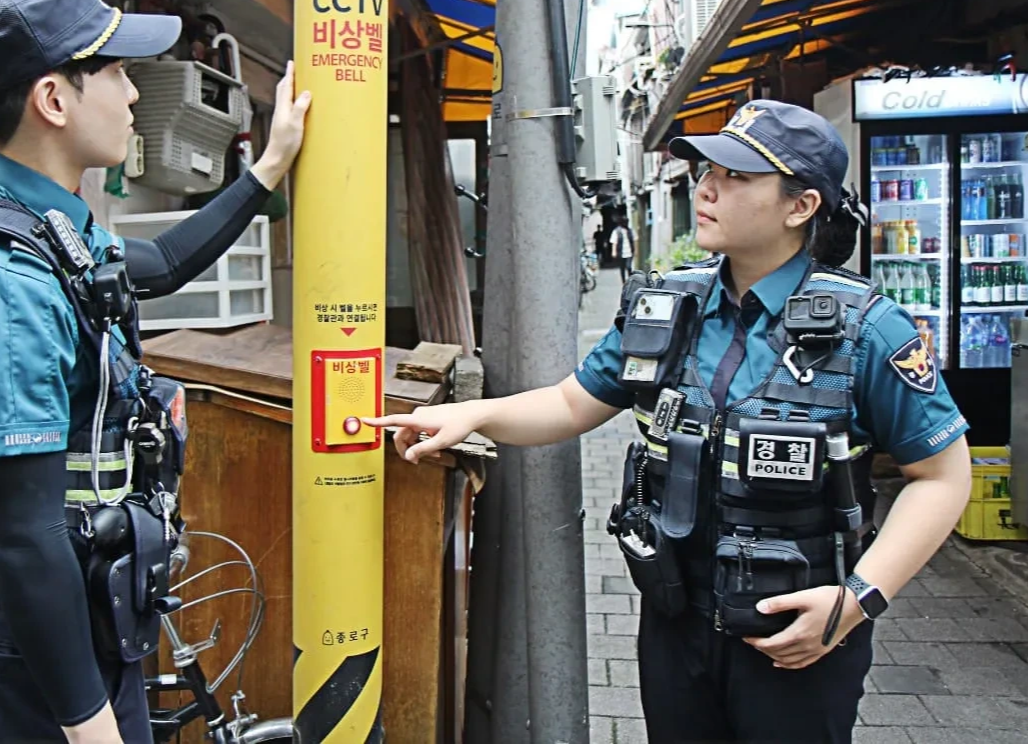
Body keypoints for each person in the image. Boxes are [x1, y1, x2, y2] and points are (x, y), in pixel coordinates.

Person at [368, 100, 973, 744]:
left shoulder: (869, 330)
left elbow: (940, 476)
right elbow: (575, 403)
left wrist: (856, 601)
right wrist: (471, 415)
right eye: (708, 169)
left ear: (801, 207)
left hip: (798, 630)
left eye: (738, 177)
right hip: (674, 617)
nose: (706, 187)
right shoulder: (665, 308)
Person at [0, 0, 310, 744]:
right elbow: (25, 538)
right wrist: (90, 727)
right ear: (52, 99)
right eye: (117, 72)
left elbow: (155, 268)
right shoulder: (4, 288)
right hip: (39, 671)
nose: (133, 94)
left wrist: (263, 172)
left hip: (77, 632)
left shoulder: (41, 222)